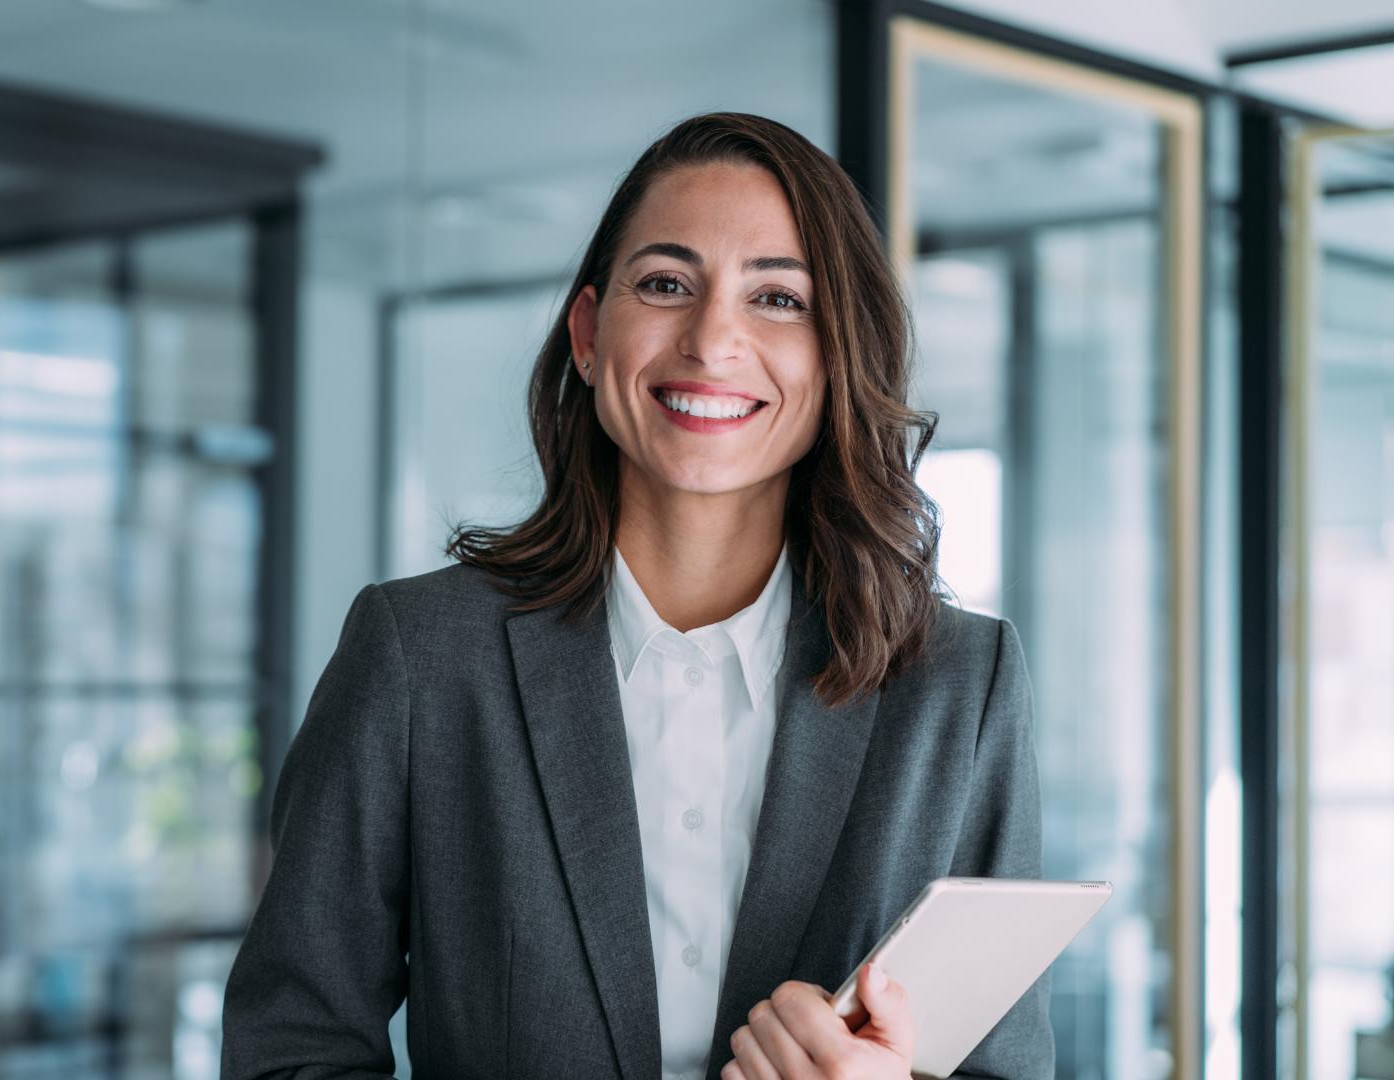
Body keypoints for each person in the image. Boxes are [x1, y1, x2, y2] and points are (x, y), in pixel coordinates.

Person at [220, 111, 1050, 1080]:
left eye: (777, 299)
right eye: (664, 285)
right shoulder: (419, 655)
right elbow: (289, 1050)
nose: (711, 340)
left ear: (835, 360)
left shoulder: (957, 685)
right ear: (585, 333)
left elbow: (1005, 1065)